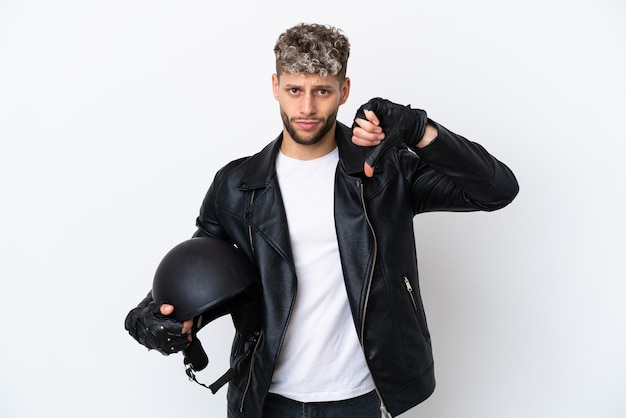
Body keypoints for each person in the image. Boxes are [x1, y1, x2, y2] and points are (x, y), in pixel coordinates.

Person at [125, 22, 519, 418]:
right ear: (276, 85)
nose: (308, 108)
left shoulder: (385, 172)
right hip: (265, 398)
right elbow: (200, 270)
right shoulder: (237, 184)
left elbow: (497, 189)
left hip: (359, 398)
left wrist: (420, 130)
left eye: (322, 91)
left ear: (343, 91)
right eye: (295, 90)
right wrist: (153, 315)